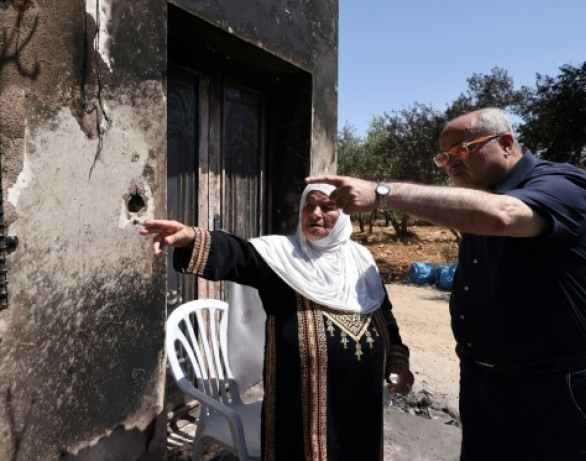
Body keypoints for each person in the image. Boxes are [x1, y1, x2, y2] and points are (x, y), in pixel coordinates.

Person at [308, 107, 586, 461]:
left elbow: (503, 216)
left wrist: (382, 193)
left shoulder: (564, 185)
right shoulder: (481, 193)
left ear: (506, 143)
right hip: (485, 382)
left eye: (461, 150)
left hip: (558, 388)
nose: (450, 164)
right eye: (443, 158)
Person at [142, 183, 414, 461]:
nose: (315, 214)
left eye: (327, 207)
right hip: (302, 414)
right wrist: (191, 238)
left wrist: (397, 360)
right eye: (309, 207)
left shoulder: (361, 261)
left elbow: (384, 314)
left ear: (344, 214)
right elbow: (240, 255)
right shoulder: (283, 258)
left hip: (362, 406)